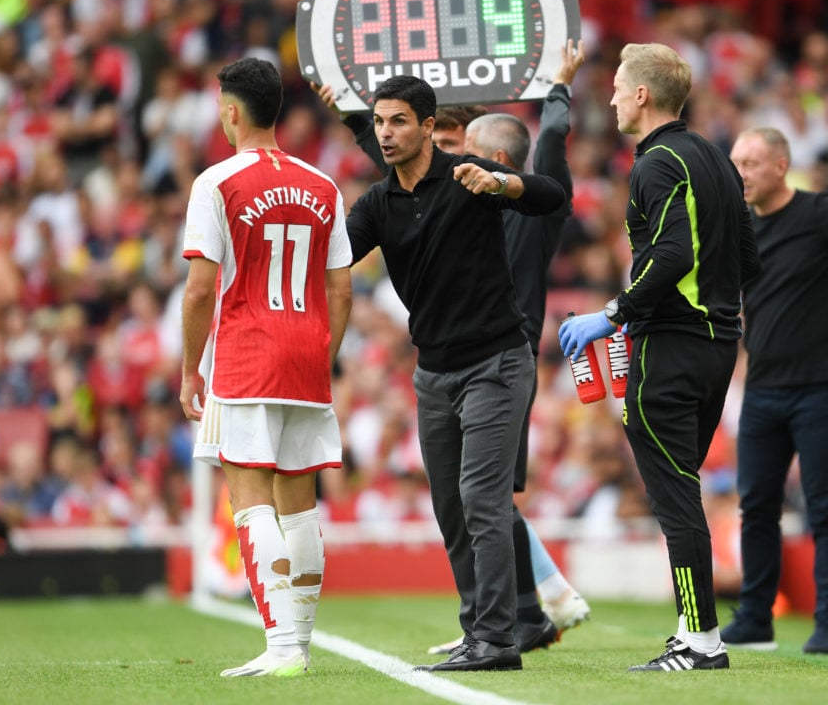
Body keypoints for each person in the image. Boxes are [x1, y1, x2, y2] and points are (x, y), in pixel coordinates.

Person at [314, 42, 592, 655]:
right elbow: (330, 255)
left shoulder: (470, 180)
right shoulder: (378, 204)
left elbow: (551, 195)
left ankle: (498, 636)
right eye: (379, 122)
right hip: (433, 372)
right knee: (454, 510)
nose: (385, 134)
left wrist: (504, 183)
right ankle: (484, 629)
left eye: (397, 122)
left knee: (482, 499)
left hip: (497, 360)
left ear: (431, 128)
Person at [559, 42, 760, 672]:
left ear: (643, 95)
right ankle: (689, 630)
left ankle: (702, 642)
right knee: (683, 491)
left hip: (667, 351)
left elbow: (671, 256)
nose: (613, 97)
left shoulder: (654, 162)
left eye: (619, 87)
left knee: (676, 500)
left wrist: (614, 313)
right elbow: (748, 258)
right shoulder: (719, 162)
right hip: (717, 348)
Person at [179, 57, 352, 678]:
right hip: (308, 352)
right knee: (299, 501)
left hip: (249, 352)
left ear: (231, 111)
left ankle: (282, 649)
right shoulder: (323, 185)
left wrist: (190, 370)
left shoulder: (216, 183)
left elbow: (201, 290)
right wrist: (320, 355)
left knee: (250, 499)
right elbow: (342, 291)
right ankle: (298, 640)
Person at [719, 127, 828, 655]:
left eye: (751, 163)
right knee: (756, 505)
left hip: (823, 388)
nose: (740, 173)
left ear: (780, 166)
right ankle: (755, 615)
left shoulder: (822, 214)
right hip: (763, 389)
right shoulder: (739, 227)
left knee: (825, 509)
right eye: (735, 163)